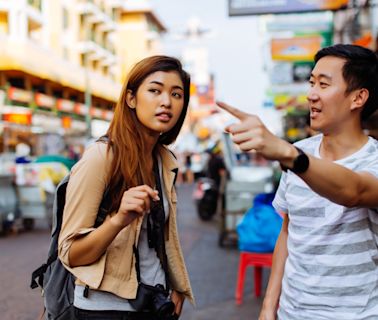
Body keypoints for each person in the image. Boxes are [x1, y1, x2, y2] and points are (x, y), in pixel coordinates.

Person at [217, 44, 378, 320]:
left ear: (358, 97)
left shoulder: (371, 160)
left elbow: (353, 190)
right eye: (311, 83)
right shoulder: (300, 152)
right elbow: (288, 233)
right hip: (293, 313)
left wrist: (288, 154)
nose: (311, 95)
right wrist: (269, 307)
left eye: (323, 85)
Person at [58, 55, 194, 320]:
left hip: (155, 303)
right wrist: (118, 219)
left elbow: (163, 239)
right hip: (105, 309)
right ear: (131, 98)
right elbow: (71, 254)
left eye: (177, 95)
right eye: (155, 90)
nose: (166, 102)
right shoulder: (101, 157)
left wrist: (175, 285)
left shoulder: (164, 161)